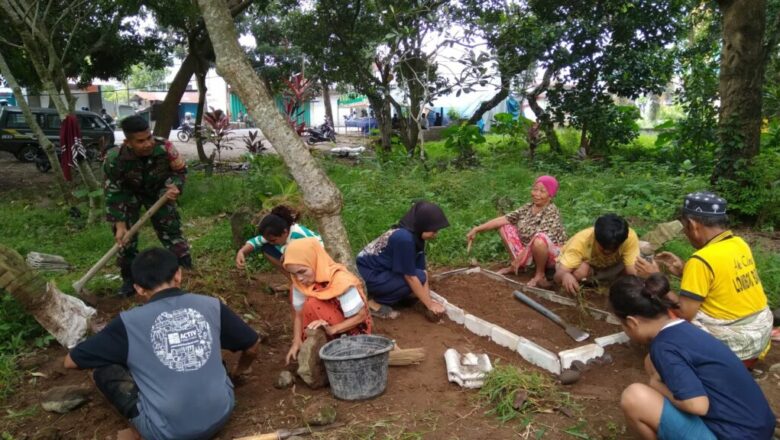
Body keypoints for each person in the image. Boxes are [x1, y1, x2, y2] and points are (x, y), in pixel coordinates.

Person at [64, 248, 260, 440]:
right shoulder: (211, 305)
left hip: (166, 432)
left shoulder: (128, 323)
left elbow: (70, 362)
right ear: (178, 275)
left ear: (138, 288)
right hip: (222, 412)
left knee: (104, 369)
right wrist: (239, 372)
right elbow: (252, 345)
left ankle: (139, 428)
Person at [609, 274, 775, 440]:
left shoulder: (664, 347)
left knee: (635, 397)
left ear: (631, 322)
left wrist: (656, 384)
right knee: (650, 362)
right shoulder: (685, 330)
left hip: (734, 435)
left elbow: (697, 405)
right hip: (758, 429)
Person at [636, 191, 773, 367]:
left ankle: (684, 360)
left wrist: (655, 279)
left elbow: (685, 313)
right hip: (758, 338)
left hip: (734, 350)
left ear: (693, 224)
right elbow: (721, 280)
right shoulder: (739, 244)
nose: (686, 233)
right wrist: (684, 269)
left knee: (666, 312)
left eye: (685, 228)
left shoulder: (701, 260)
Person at [104, 115, 191, 296]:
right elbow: (114, 191)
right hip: (129, 195)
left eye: (149, 137)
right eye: (141, 141)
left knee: (171, 227)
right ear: (128, 142)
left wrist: (176, 186)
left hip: (159, 191)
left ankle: (183, 266)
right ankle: (129, 278)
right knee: (126, 238)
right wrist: (120, 225)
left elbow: (180, 171)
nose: (148, 143)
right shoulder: (115, 158)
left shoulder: (165, 148)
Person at [282, 238, 371, 364]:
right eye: (293, 274)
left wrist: (332, 329)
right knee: (307, 301)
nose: (299, 278)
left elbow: (360, 316)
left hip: (351, 332)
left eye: (302, 271)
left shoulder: (340, 280)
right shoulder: (299, 283)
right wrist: (296, 341)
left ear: (315, 261)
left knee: (313, 303)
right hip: (321, 328)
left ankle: (335, 348)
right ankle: (315, 348)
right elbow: (298, 315)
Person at [466, 175, 567, 287]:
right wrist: (477, 229)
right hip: (530, 251)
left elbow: (538, 239)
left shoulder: (551, 212)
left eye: (542, 191)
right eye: (535, 189)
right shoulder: (528, 207)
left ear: (550, 195)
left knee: (539, 240)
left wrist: (520, 258)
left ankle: (540, 273)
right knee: (505, 227)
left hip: (551, 256)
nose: (536, 194)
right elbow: (504, 219)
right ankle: (519, 267)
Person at [357, 201, 450, 319]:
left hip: (379, 273)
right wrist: (430, 305)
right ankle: (373, 303)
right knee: (416, 277)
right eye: (434, 230)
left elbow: (423, 271)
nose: (436, 234)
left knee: (420, 276)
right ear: (423, 225)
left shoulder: (416, 236)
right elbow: (410, 277)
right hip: (366, 276)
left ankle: (392, 293)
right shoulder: (404, 239)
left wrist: (427, 302)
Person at [554, 213, 639, 295]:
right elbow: (558, 275)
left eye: (614, 249)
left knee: (635, 264)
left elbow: (632, 272)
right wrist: (565, 275)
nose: (607, 252)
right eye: (603, 247)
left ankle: (612, 285)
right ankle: (578, 288)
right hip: (588, 270)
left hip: (608, 268)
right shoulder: (580, 242)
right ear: (595, 237)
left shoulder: (629, 237)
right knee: (581, 271)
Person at [235, 205, 323, 273]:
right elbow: (256, 242)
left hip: (319, 261)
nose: (271, 243)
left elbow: (319, 251)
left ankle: (305, 284)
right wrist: (241, 252)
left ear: (284, 232)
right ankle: (294, 283)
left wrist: (290, 254)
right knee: (267, 248)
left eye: (273, 240)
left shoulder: (298, 235)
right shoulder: (276, 234)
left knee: (290, 259)